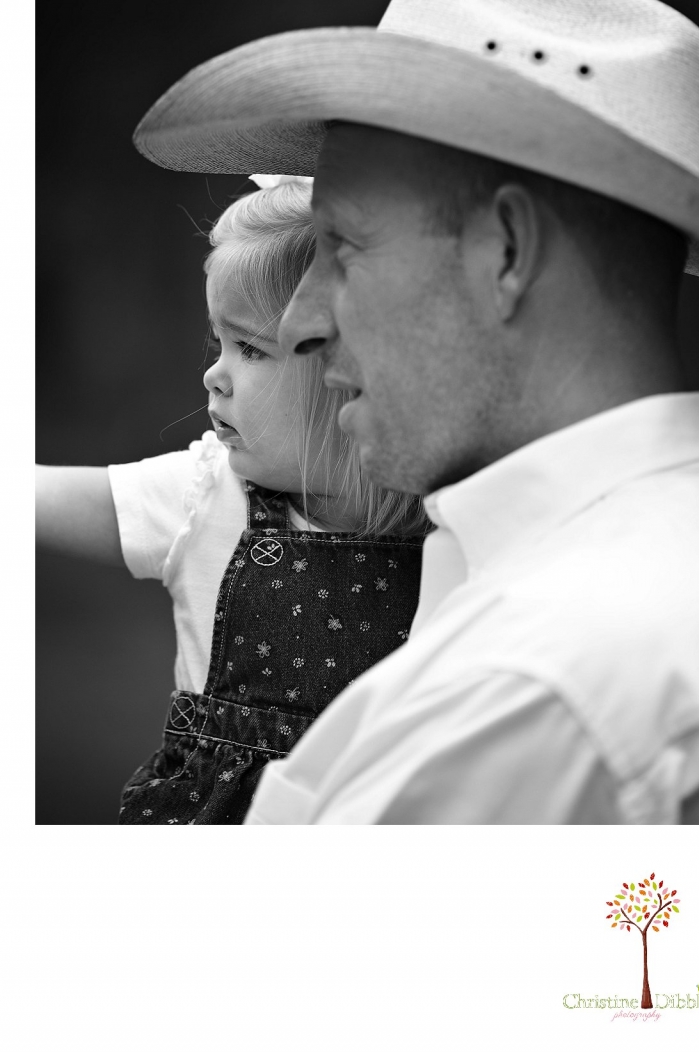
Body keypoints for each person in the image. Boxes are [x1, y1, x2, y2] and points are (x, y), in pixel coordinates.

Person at [133, 0, 699, 824]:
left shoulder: (536, 692)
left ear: (507, 254)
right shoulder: (668, 566)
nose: (300, 320)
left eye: (344, 245)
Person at [36, 178, 427, 823]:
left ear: (351, 367)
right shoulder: (208, 494)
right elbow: (48, 501)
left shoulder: (451, 522)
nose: (214, 375)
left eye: (249, 347)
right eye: (217, 341)